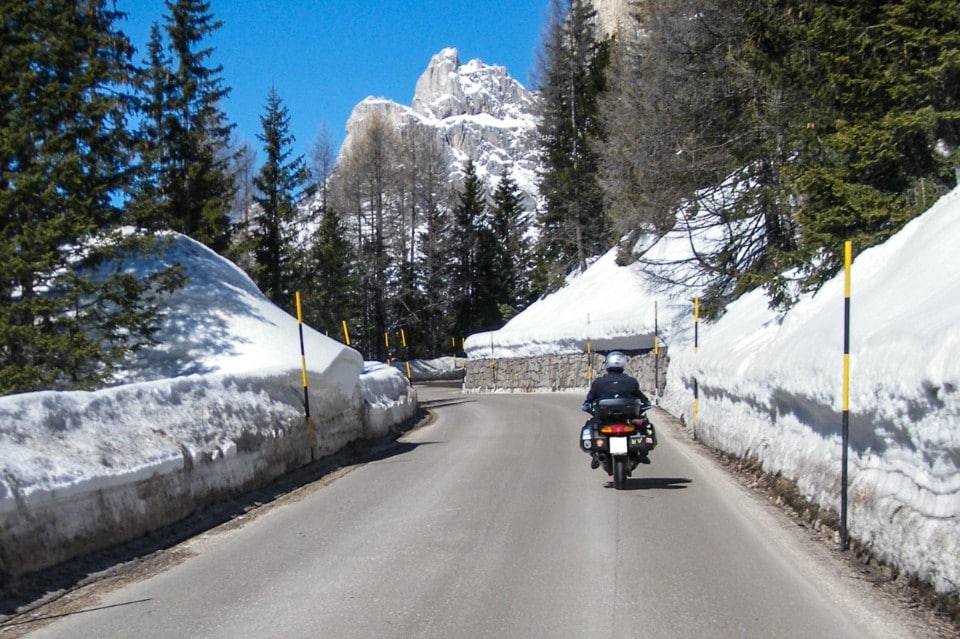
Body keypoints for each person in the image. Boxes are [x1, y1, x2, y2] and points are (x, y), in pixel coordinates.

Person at [580, 351, 656, 468]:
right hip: (628, 420)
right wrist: (645, 404)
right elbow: (641, 398)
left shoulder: (598, 383)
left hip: (605, 420)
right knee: (643, 423)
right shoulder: (631, 382)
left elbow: (589, 399)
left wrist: (587, 405)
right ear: (623, 364)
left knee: (592, 425)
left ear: (607, 364)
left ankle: (596, 455)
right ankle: (641, 453)